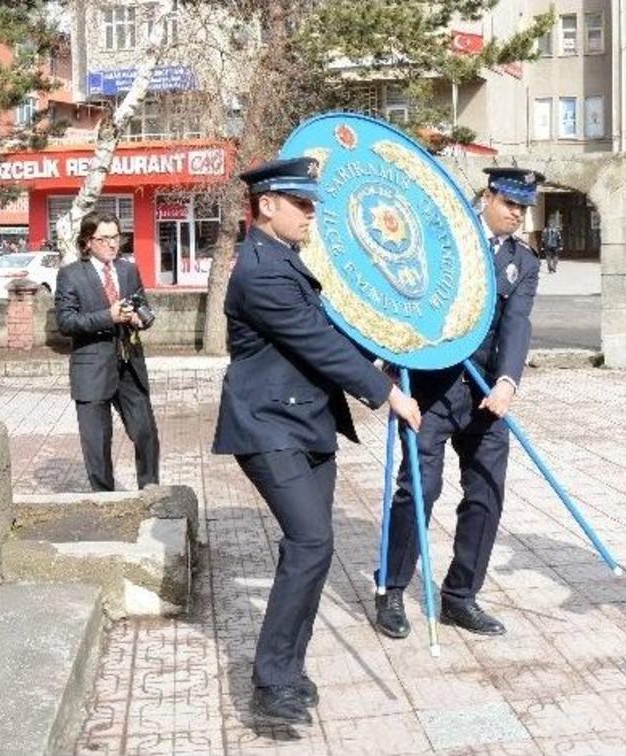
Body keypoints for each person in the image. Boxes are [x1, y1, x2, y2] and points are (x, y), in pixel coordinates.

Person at [211, 155, 421, 726]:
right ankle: (271, 681)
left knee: (314, 547)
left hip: (306, 425)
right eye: (301, 204)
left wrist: (386, 349)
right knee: (310, 543)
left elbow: (328, 333)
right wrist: (387, 393)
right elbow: (316, 343)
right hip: (268, 426)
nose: (311, 214)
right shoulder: (261, 270)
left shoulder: (284, 258)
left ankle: (289, 666)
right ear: (266, 205)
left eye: (312, 204)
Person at [374, 166, 543, 640]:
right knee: (419, 489)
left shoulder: (523, 262)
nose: (517, 214)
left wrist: (507, 381)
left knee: (487, 492)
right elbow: (402, 295)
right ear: (488, 196)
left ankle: (460, 597)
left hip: (486, 394)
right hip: (428, 390)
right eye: (510, 203)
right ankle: (391, 589)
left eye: (523, 207)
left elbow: (517, 323)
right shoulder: (444, 240)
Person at [55, 211, 159, 492]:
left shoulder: (128, 270)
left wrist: (141, 319)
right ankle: (104, 501)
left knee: (146, 434)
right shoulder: (71, 275)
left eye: (117, 237)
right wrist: (108, 317)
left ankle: (151, 493)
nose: (113, 244)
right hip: (92, 370)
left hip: (129, 366)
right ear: (88, 242)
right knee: (98, 445)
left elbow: (144, 307)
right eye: (104, 238)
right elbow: (65, 322)